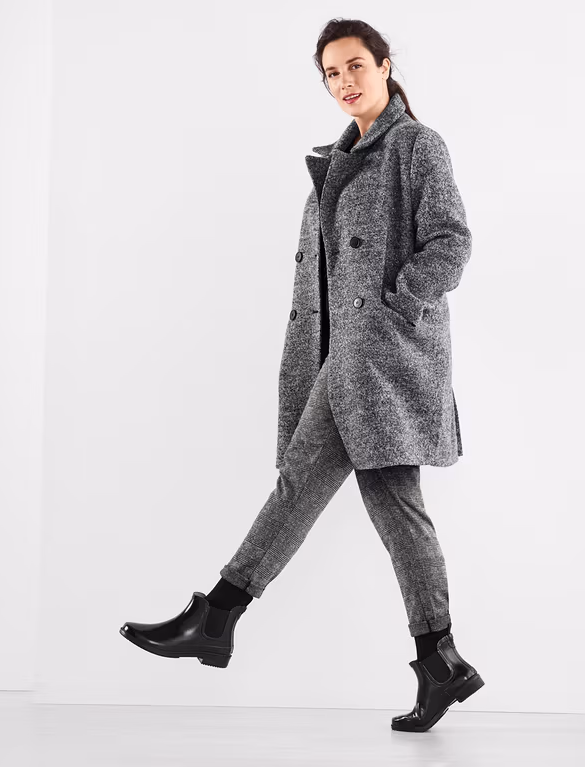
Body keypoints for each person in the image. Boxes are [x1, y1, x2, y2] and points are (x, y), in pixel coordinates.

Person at [120, 18, 483, 732]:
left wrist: (395, 304)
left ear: (385, 65)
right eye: (331, 74)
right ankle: (436, 661)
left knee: (338, 496)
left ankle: (218, 617)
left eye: (355, 66)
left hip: (381, 361)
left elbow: (452, 242)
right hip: (345, 362)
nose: (345, 82)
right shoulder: (338, 160)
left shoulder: (416, 145)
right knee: (368, 501)